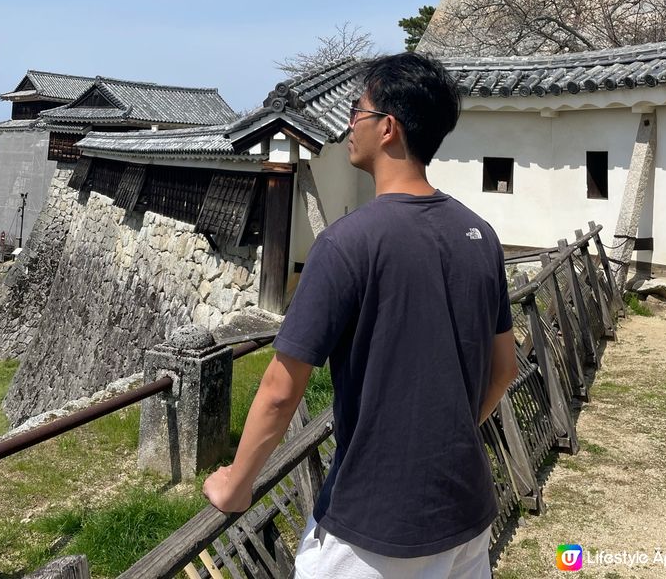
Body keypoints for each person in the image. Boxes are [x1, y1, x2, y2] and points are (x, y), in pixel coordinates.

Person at [204, 52, 518, 578]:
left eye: (358, 111)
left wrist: (235, 483)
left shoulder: (346, 243)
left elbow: (281, 391)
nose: (350, 124)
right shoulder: (479, 234)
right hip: (466, 512)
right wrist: (448, 438)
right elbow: (504, 369)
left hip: (375, 529)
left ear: (388, 127)